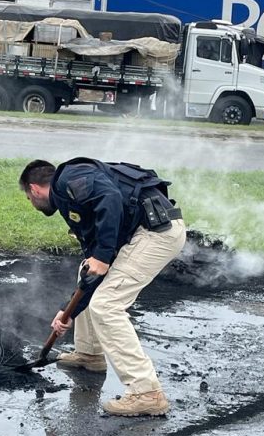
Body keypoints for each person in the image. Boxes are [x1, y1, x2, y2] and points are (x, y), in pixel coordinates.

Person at [19, 157, 186, 417]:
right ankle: (89, 354)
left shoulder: (68, 179)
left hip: (156, 233)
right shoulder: (72, 198)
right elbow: (92, 275)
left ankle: (147, 393)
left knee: (107, 304)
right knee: (87, 271)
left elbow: (109, 197)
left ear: (34, 189)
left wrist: (104, 255)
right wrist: (67, 312)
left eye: (29, 200)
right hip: (143, 232)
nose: (32, 205)